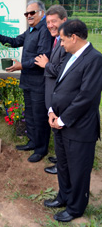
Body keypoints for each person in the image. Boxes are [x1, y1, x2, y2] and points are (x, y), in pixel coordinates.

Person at [44, 19, 102, 222]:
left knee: (78, 169)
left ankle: (76, 207)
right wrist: (52, 111)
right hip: (59, 123)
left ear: (74, 37)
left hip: (78, 128)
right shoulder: (71, 56)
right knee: (64, 165)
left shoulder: (94, 59)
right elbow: (59, 86)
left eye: (62, 39)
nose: (60, 43)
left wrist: (63, 120)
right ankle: (64, 196)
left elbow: (87, 96)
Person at [0, 0, 52, 163]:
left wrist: (21, 65)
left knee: (39, 116)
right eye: (27, 14)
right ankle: (32, 141)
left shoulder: (44, 31)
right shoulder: (31, 30)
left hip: (38, 82)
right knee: (29, 114)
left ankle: (41, 149)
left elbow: (42, 57)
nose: (29, 16)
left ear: (42, 13)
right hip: (28, 80)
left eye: (32, 13)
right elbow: (16, 41)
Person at [35, 5, 68, 174]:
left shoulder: (67, 44)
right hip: (52, 95)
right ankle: (60, 157)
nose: (50, 25)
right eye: (48, 22)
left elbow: (63, 72)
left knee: (60, 132)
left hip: (60, 97)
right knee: (57, 133)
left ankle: (62, 165)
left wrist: (46, 65)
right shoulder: (56, 40)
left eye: (54, 21)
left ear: (64, 21)